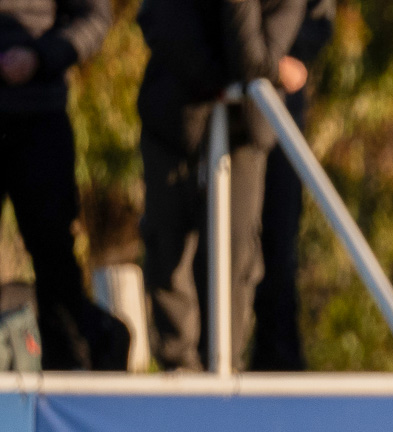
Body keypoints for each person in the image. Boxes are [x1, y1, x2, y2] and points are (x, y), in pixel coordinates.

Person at [137, 0, 308, 371]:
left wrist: (257, 72)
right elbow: (164, 25)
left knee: (237, 250)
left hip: (245, 130)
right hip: (175, 120)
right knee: (168, 248)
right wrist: (257, 76)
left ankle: (224, 368)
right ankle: (180, 368)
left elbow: (254, 60)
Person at [0, 0, 128, 370]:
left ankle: (73, 368)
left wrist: (39, 57)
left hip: (38, 114)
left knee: (54, 256)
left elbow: (94, 18)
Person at [249, 0, 333, 373]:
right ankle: (211, 362)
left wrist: (283, 59)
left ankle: (278, 361)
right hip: (217, 103)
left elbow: (319, 19)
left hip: (282, 108)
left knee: (279, 242)